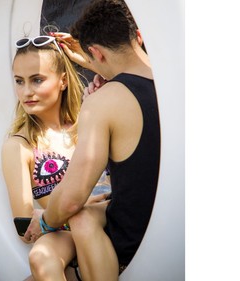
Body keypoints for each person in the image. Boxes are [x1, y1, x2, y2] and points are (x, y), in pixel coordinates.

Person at [25, 0, 161, 280]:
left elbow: (73, 199)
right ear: (139, 35)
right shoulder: (174, 79)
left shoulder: (103, 102)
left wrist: (46, 223)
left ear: (96, 53)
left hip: (133, 246)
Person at [1, 35, 109, 281]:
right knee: (40, 256)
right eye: (19, 81)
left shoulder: (92, 118)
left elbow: (139, 90)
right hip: (66, 234)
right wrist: (78, 208)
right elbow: (25, 230)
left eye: (37, 80)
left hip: (115, 217)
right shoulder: (20, 146)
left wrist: (91, 63)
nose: (26, 91)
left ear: (62, 81)